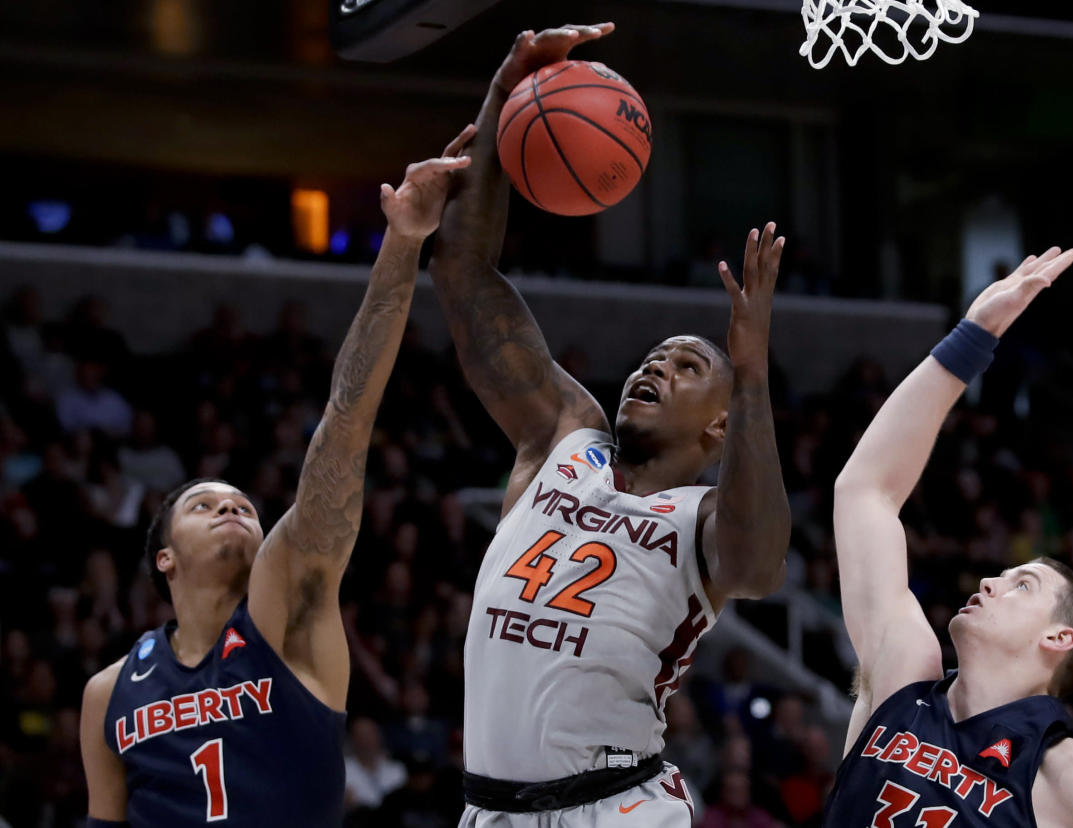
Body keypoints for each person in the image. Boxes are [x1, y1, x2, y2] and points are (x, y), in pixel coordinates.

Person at [428, 23, 791, 828]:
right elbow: (461, 271)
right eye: (654, 358)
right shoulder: (565, 434)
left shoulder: (704, 519)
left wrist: (755, 373)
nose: (654, 367)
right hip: (488, 810)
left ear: (721, 427)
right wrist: (506, 92)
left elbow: (761, 566)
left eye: (687, 366)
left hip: (616, 809)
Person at [77, 130, 475, 828]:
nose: (232, 508)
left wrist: (403, 245)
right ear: (163, 555)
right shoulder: (107, 692)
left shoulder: (289, 617)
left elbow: (346, 421)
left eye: (244, 506)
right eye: (205, 505)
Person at [823, 248, 1073, 825]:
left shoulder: (1069, 778)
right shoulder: (904, 674)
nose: (990, 581)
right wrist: (973, 336)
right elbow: (865, 492)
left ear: (1059, 637)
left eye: (1022, 585)